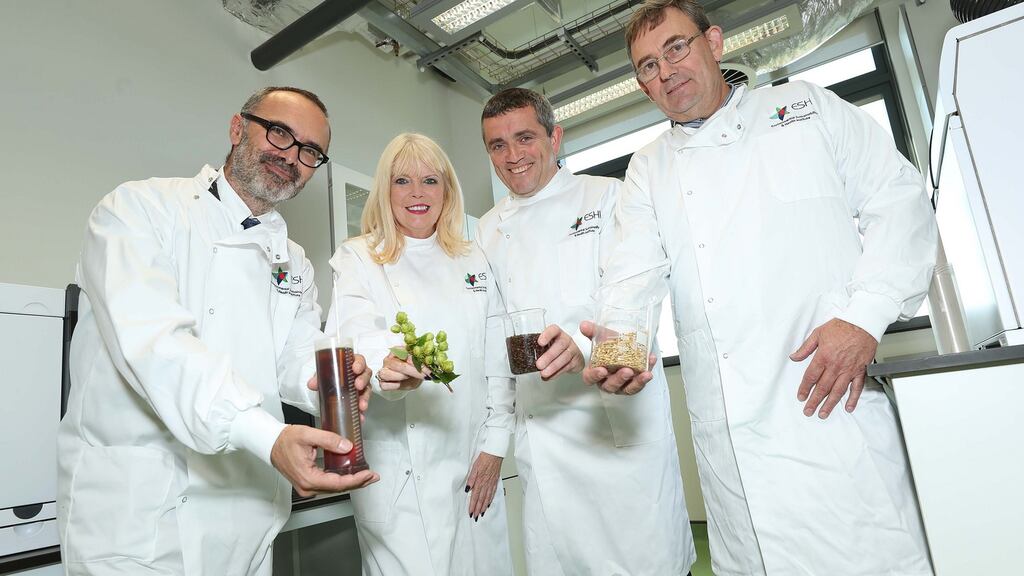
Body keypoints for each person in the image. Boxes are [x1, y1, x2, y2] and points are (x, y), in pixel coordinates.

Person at [587, 1, 938, 574]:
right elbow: (630, 280)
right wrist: (618, 358)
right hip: (732, 437)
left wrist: (865, 316)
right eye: (647, 66)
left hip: (828, 406)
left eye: (676, 48)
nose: (666, 71)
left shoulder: (802, 107)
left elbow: (899, 200)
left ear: (714, 43)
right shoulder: (648, 169)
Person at [57, 86, 379, 576]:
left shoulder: (292, 260)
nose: (291, 156)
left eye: (310, 151)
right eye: (279, 133)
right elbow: (157, 346)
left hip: (247, 516)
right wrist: (266, 435)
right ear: (237, 128)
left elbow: (292, 359)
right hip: (142, 522)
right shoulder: (137, 210)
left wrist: (335, 382)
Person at [477, 88, 695, 576]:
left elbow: (636, 294)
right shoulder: (486, 231)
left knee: (645, 561)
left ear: (555, 137)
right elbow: (493, 340)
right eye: (497, 145)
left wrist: (589, 349)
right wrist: (495, 435)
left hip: (612, 422)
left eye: (525, 137)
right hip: (544, 432)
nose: (512, 156)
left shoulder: (609, 197)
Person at [326, 133, 514, 576]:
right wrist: (388, 369)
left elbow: (496, 360)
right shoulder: (358, 258)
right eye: (402, 181)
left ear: (446, 189)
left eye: (430, 180)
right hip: (398, 473)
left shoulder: (474, 261)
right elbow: (355, 336)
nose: (416, 193)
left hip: (471, 459)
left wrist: (495, 446)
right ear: (384, 190)